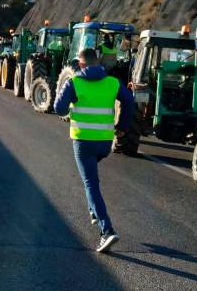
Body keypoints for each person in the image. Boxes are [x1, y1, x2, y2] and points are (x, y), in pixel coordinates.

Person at [54, 48, 134, 253]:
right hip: (105, 143)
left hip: (83, 142)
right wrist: (122, 127)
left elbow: (59, 108)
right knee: (91, 179)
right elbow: (129, 100)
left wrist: (71, 105)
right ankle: (93, 211)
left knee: (90, 184)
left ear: (80, 65)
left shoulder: (74, 83)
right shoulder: (113, 82)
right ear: (97, 62)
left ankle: (106, 231)